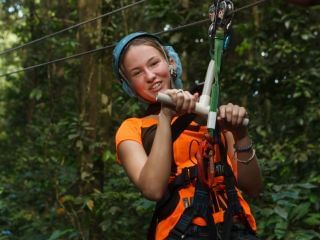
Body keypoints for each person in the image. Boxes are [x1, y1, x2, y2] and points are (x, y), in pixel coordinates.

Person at [113, 32, 262, 240]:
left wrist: (240, 134)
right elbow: (153, 189)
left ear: (171, 63)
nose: (150, 76)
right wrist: (166, 115)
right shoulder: (132, 129)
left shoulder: (209, 113)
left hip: (236, 228)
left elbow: (253, 187)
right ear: (129, 86)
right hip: (182, 231)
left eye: (154, 63)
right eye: (137, 73)